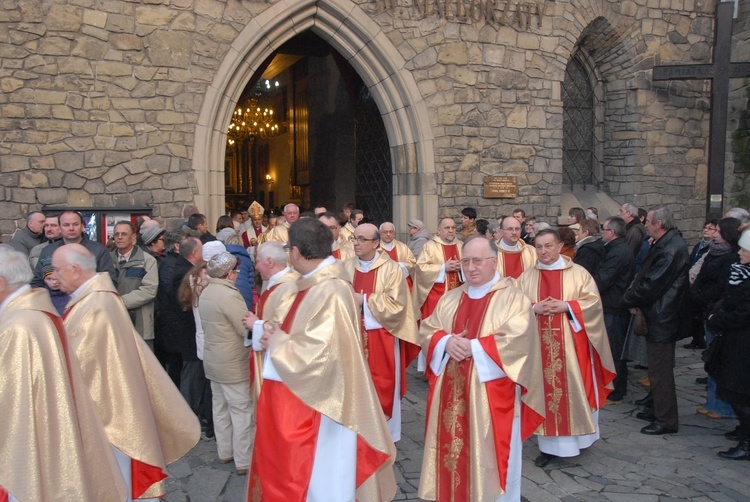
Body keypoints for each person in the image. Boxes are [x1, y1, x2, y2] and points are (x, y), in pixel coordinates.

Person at [244, 218, 396, 501]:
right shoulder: (314, 286)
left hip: (327, 408)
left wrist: (278, 342)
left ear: (297, 252)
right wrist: (274, 333)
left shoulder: (331, 291)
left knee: (323, 480)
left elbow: (322, 354)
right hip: (311, 397)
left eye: (290, 248)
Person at [52, 244, 200, 500]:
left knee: (117, 480)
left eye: (56, 270)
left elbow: (82, 365)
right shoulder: (96, 299)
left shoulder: (96, 307)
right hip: (112, 405)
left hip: (110, 416)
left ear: (75, 270)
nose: (53, 276)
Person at [418, 236, 545, 500]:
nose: (471, 268)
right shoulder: (451, 298)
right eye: (466, 261)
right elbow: (428, 328)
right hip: (450, 394)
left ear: (493, 261)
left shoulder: (513, 298)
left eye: (478, 261)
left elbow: (519, 340)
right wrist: (445, 341)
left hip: (492, 395)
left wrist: (474, 348)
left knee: (490, 452)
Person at [0, 247, 126, 502]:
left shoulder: (18, 326)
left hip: (28, 445)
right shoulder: (31, 314)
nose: (55, 277)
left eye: (58, 269)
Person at [517, 229, 615, 467]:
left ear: (560, 246)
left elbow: (593, 304)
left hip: (573, 351)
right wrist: (533, 308)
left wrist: (568, 306)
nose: (543, 251)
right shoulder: (527, 277)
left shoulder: (579, 274)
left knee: (574, 392)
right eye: (538, 247)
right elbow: (513, 308)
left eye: (548, 246)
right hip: (539, 350)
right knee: (545, 392)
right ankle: (550, 448)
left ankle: (581, 439)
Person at [343, 223, 419, 442]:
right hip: (353, 336)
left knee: (383, 383)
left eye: (361, 239)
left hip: (382, 338)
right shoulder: (346, 267)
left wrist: (364, 301)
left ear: (376, 243)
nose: (356, 243)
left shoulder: (391, 269)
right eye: (354, 238)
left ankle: (386, 435)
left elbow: (398, 306)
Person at [622, 206, 690, 435]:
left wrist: (629, 298)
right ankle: (657, 409)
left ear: (659, 224)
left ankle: (666, 419)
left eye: (649, 222)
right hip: (659, 314)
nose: (646, 225)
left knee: (661, 371)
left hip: (663, 316)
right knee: (656, 370)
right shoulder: (665, 244)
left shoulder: (670, 249)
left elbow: (652, 283)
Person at [198, 252, 253, 474]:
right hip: (231, 361)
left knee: (219, 407)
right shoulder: (229, 295)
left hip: (213, 358)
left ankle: (225, 451)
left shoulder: (207, 291)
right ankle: (243, 459)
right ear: (229, 273)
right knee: (241, 410)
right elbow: (243, 328)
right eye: (236, 272)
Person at [690, 217, 741, 419]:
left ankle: (720, 405)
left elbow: (721, 288)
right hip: (706, 306)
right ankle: (712, 402)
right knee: (712, 358)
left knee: (717, 359)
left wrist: (703, 298)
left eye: (718, 231)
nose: (715, 234)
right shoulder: (713, 251)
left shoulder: (730, 258)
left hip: (715, 310)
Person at [707, 226, 750, 459]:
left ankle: (747, 442)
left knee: (740, 393)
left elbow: (742, 313)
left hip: (743, 345)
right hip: (735, 342)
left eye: (745, 249)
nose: (740, 253)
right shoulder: (741, 273)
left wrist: (718, 318)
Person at [246, 241, 299, 399]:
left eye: (257, 261)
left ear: (270, 261)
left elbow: (284, 327)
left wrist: (256, 324)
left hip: (281, 363)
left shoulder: (289, 287)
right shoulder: (273, 284)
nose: (256, 267)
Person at [594, 217, 635, 404]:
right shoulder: (615, 249)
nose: (601, 232)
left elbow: (603, 280)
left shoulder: (618, 252)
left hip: (614, 307)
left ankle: (616, 391)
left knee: (614, 350)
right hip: (612, 305)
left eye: (603, 229)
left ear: (612, 232)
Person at [155, 236, 202, 392]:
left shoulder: (183, 268)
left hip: (180, 332)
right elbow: (182, 303)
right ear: (195, 253)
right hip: (183, 331)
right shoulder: (184, 272)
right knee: (186, 374)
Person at [32, 210, 117, 288]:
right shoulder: (48, 251)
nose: (71, 228)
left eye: (75, 224)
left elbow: (110, 282)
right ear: (60, 228)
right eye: (66, 225)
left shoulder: (99, 250)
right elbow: (37, 282)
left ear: (83, 226)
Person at [111, 221, 159, 350]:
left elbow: (150, 289)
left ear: (133, 237)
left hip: (140, 322)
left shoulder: (147, 260)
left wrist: (122, 301)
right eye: (116, 234)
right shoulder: (107, 260)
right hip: (113, 320)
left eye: (124, 234)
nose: (119, 237)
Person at [414, 217, 463, 321]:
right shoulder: (429, 246)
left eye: (453, 228)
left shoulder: (461, 246)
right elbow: (420, 268)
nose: (451, 230)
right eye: (447, 228)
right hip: (437, 295)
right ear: (439, 230)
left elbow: (471, 265)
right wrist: (443, 267)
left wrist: (461, 268)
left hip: (459, 295)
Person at [684, 218, 719, 349]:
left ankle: (700, 339)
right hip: (694, 282)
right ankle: (696, 338)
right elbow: (693, 260)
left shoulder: (713, 248)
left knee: (700, 315)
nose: (706, 230)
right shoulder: (700, 245)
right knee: (694, 315)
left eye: (710, 228)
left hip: (703, 287)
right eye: (705, 227)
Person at [216, 229, 255, 311]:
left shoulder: (223, 257)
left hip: (227, 288)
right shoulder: (247, 258)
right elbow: (251, 280)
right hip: (244, 289)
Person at [379, 221, 416, 289]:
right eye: (385, 232)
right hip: (382, 284)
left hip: (402, 283)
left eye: (391, 232)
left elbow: (412, 263)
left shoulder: (403, 247)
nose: (388, 234)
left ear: (394, 233)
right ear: (380, 234)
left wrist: (400, 265)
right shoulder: (375, 248)